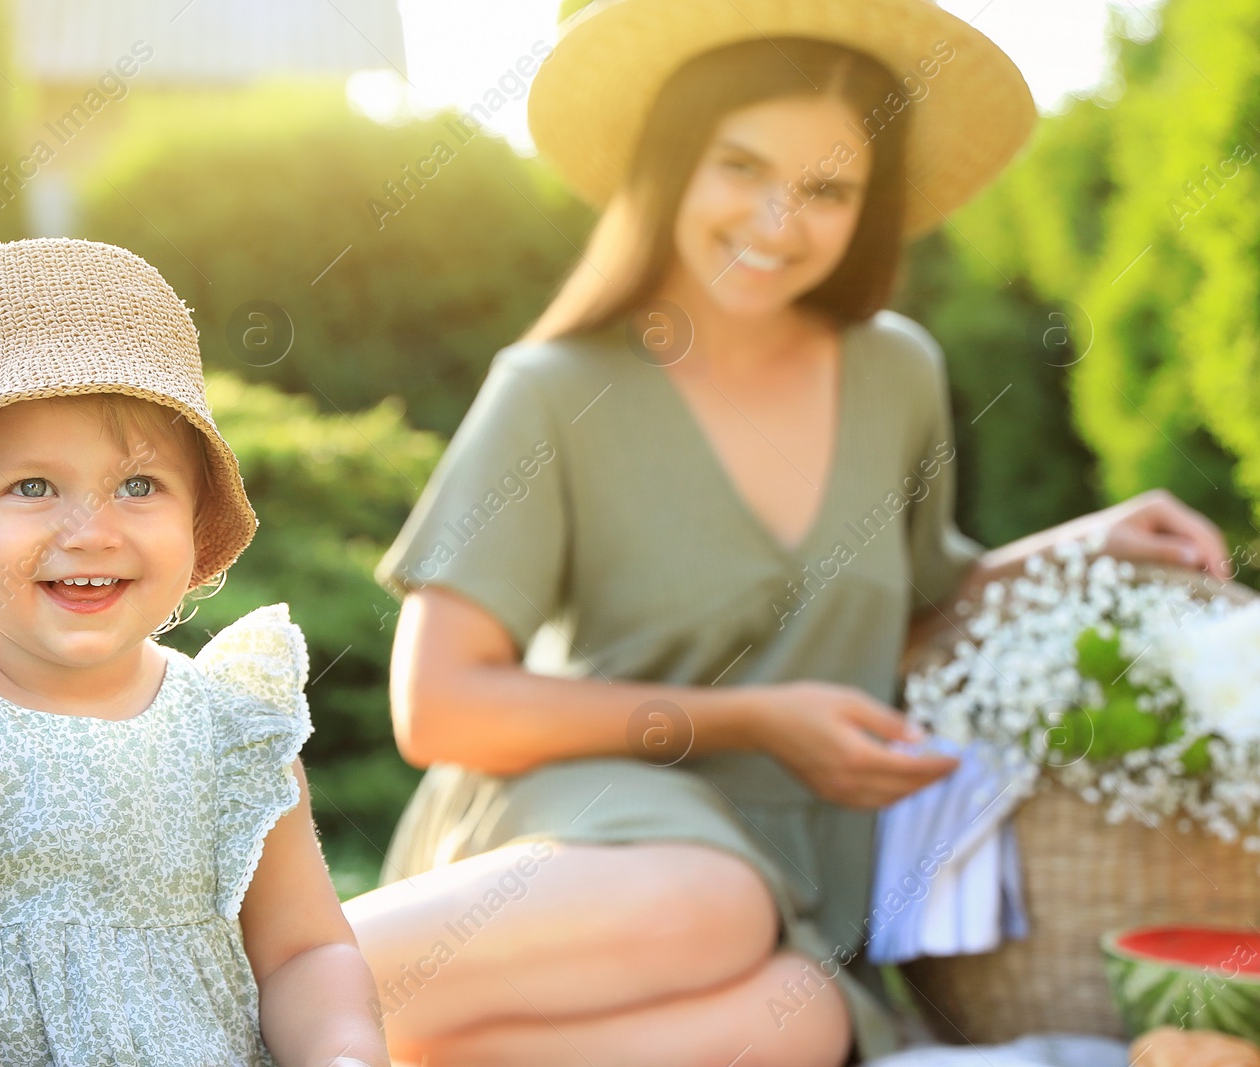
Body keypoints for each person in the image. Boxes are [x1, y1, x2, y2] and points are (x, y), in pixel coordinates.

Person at [342, 2, 1234, 1065]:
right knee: (711, 900)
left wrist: (1079, 543)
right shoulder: (553, 391)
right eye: (741, 166)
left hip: (799, 873)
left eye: (827, 189)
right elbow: (440, 706)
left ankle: (343, 1033)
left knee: (800, 1021)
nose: (777, 218)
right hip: (578, 830)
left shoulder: (894, 371)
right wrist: (756, 718)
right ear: (674, 163)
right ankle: (236, 970)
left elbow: (906, 612)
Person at [0, 238, 389, 1067]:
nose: (90, 531)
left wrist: (342, 1051)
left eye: (139, 485)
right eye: (33, 486)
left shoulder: (234, 727)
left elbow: (303, 951)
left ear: (196, 513)